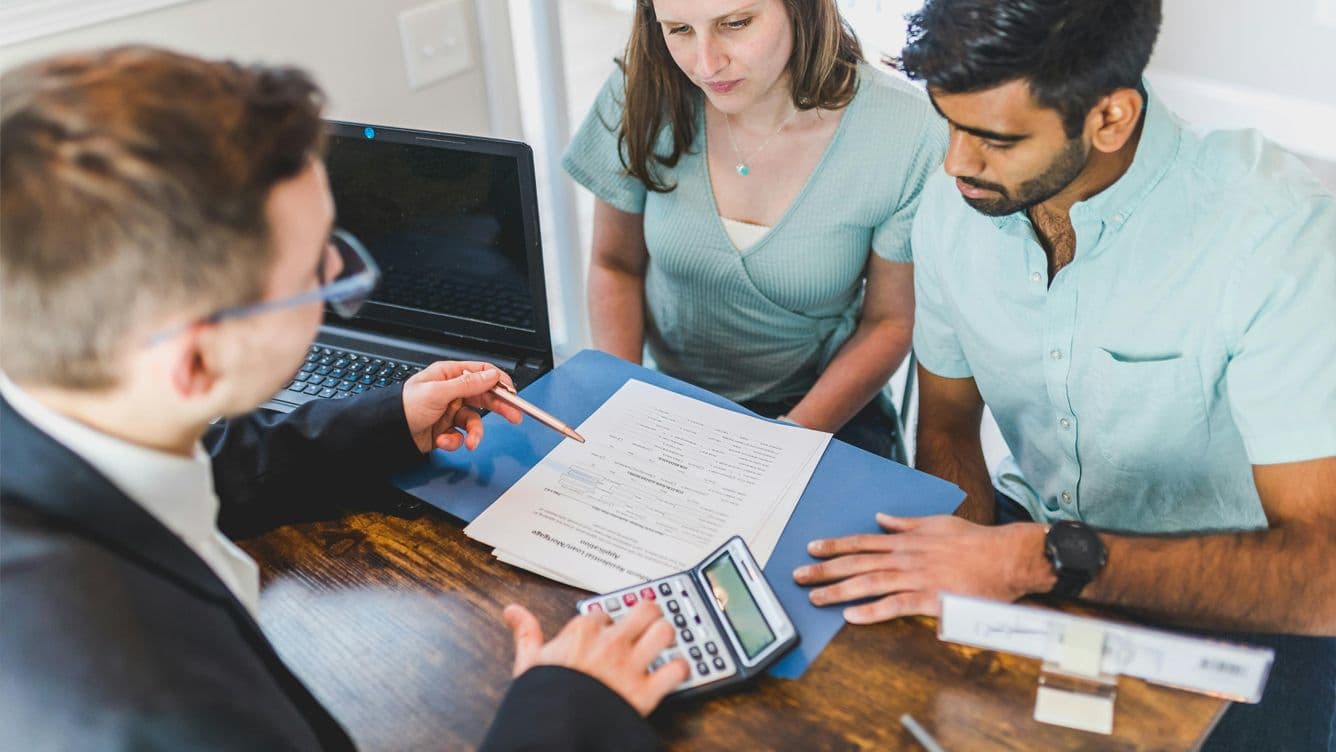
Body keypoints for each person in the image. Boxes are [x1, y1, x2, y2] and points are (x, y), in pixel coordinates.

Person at [0, 47, 686, 751]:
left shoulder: (74, 412)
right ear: (196, 362)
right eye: (318, 275)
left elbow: (221, 462)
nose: (342, 284)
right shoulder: (154, 710)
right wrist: (563, 713)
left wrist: (393, 419)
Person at [790, 1, 1336, 749]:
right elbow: (948, 424)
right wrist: (962, 608)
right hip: (1029, 553)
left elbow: (1323, 578)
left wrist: (1032, 561)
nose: (956, 164)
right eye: (949, 123)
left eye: (996, 139)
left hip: (1239, 595)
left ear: (1110, 118)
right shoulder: (957, 206)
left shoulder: (1274, 233)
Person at [562, 0, 945, 459]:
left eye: (736, 23)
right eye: (679, 29)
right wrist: (624, 398)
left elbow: (889, 321)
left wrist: (784, 441)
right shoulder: (645, 88)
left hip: (821, 408)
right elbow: (615, 265)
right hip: (661, 396)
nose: (706, 65)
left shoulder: (907, 129)